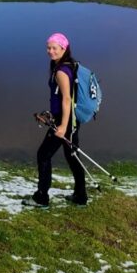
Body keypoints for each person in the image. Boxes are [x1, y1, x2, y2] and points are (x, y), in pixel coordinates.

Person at [22, 32, 88, 208]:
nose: (50, 51)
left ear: (63, 48)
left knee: (43, 155)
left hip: (65, 121)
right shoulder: (70, 64)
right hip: (72, 119)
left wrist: (62, 126)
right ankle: (81, 196)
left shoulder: (61, 71)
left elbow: (66, 98)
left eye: (54, 48)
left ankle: (41, 197)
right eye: (48, 48)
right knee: (73, 156)